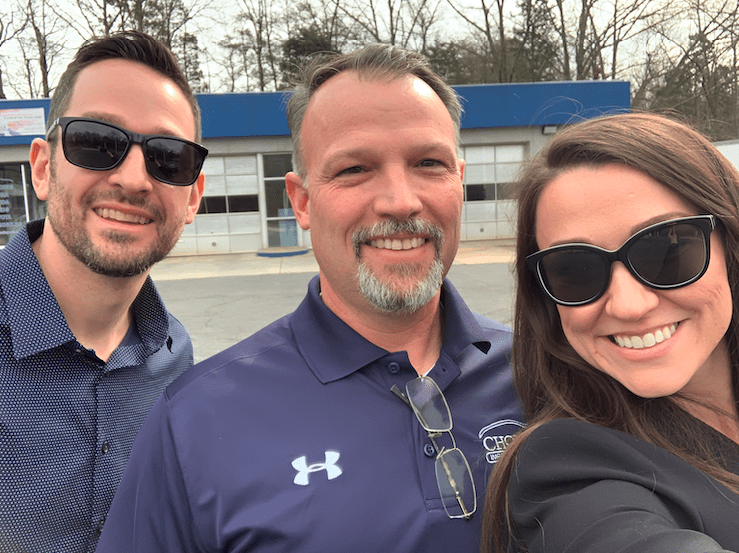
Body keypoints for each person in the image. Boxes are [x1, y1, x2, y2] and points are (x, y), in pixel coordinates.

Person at [96, 43, 523, 552]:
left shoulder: (545, 377)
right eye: (353, 170)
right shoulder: (195, 422)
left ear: (459, 179)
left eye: (428, 163)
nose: (401, 201)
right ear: (300, 201)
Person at [482, 112, 739, 553]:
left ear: (730, 246)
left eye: (666, 249)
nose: (628, 305)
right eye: (575, 270)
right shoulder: (566, 465)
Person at [0, 31, 206, 552]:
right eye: (98, 143)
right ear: (43, 168)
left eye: (169, 158)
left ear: (192, 198)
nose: (135, 178)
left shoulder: (176, 358)